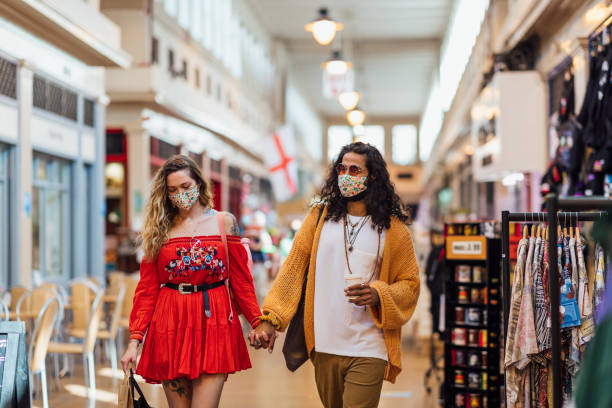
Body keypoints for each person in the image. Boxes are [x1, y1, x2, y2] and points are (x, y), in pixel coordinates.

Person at [250, 142, 420, 408]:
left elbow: (410, 285)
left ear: (372, 176)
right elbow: (292, 271)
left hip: (369, 346)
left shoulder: (393, 229)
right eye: (342, 168)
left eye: (355, 170)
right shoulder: (319, 218)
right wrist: (271, 318)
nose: (346, 175)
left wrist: (379, 293)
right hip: (325, 344)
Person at [120, 155, 262, 408]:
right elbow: (147, 290)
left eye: (185, 187)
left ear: (199, 184)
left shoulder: (224, 222)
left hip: (215, 323)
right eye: (172, 190)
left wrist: (257, 322)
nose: (180, 194)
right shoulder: (159, 229)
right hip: (170, 325)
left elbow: (241, 281)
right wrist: (134, 341)